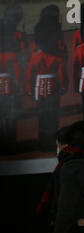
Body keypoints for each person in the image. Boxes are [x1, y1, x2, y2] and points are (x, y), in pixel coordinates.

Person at [27, 15, 68, 151]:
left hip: (39, 88)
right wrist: (63, 87)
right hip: (53, 87)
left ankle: (42, 141)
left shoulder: (35, 56)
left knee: (42, 115)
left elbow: (29, 75)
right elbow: (61, 75)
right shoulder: (57, 57)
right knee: (53, 116)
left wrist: (30, 89)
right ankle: (52, 142)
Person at [0, 20, 24, 150]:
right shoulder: (12, 55)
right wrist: (21, 87)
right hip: (10, 87)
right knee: (11, 116)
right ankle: (11, 143)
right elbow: (18, 73)